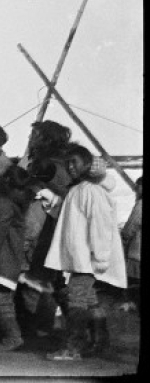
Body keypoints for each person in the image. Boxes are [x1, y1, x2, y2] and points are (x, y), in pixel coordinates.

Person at [43, 147, 127, 361]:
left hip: (87, 259)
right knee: (89, 300)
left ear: (88, 164)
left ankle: (73, 347)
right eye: (68, 163)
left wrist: (101, 257)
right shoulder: (79, 189)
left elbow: (101, 225)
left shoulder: (90, 191)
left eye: (75, 162)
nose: (71, 166)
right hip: (82, 258)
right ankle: (100, 342)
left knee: (76, 299)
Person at [17, 120, 74, 338]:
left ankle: (39, 328)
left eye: (35, 135)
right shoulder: (60, 163)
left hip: (39, 227)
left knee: (36, 278)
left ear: (46, 139)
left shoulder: (49, 166)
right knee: (45, 279)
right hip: (46, 226)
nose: (30, 138)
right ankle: (48, 326)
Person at [0, 165, 34, 351]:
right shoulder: (16, 205)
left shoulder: (3, 204)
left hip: (3, 259)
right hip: (10, 258)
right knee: (2, 298)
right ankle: (7, 334)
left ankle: (12, 336)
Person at [119, 176, 141, 312]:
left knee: (134, 282)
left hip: (137, 253)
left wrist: (122, 239)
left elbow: (129, 228)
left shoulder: (140, 205)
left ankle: (133, 305)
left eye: (138, 188)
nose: (136, 191)